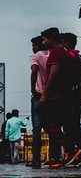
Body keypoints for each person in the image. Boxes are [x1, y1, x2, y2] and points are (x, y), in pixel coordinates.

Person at [38, 27, 81, 166]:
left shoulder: (55, 53)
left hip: (55, 96)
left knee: (48, 124)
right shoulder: (64, 53)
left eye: (45, 39)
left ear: (51, 38)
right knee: (65, 126)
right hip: (64, 95)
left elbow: (53, 73)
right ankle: (72, 152)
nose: (43, 42)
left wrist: (45, 94)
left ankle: (72, 149)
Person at [29, 35, 48, 168]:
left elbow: (34, 71)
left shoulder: (36, 57)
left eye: (33, 45)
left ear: (37, 46)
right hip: (52, 95)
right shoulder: (52, 55)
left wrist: (33, 89)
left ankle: (36, 159)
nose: (32, 48)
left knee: (37, 128)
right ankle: (55, 156)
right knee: (53, 127)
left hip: (38, 95)